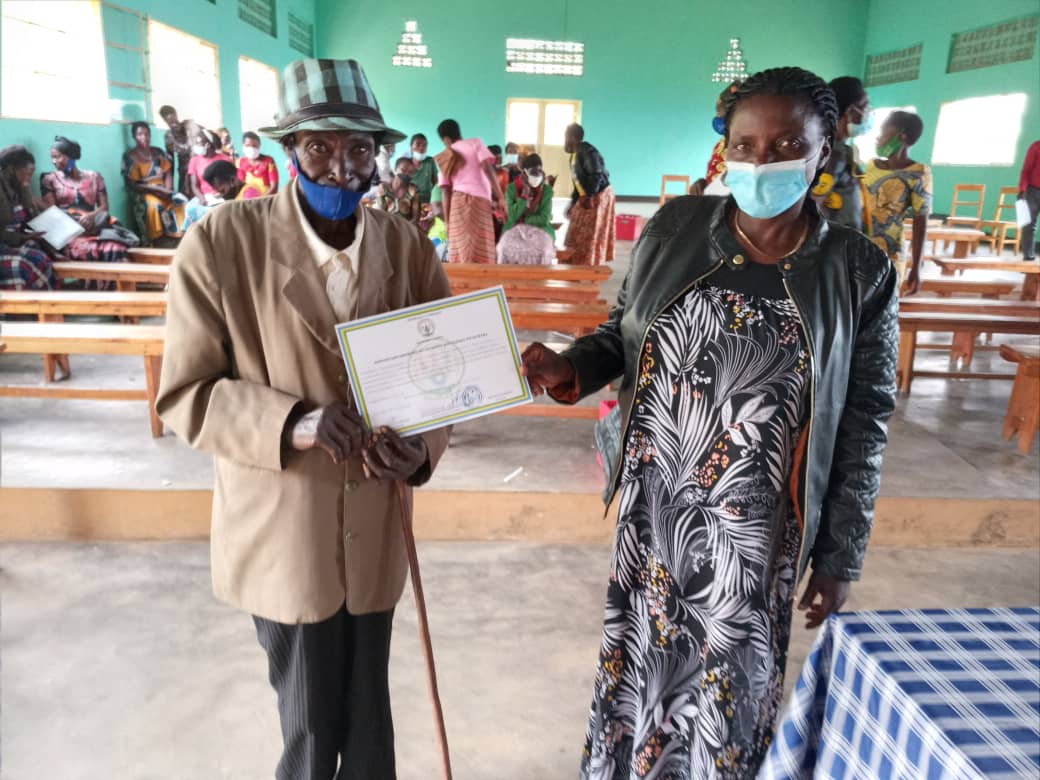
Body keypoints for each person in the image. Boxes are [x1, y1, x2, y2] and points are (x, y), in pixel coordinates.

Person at [522, 66, 898, 779]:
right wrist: (569, 366)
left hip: (756, 531)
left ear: (824, 149)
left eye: (787, 145)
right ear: (726, 149)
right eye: (746, 145)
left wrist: (840, 555)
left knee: (731, 685)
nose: (762, 161)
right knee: (643, 666)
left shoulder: (858, 270)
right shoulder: (675, 229)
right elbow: (621, 335)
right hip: (656, 509)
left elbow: (865, 418)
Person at [155, 58, 451, 779]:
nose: (342, 167)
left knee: (370, 721)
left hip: (377, 522)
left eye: (359, 149)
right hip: (286, 528)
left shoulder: (407, 247)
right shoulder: (221, 244)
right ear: (289, 149)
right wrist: (293, 422)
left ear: (378, 156)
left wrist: (421, 447)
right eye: (319, 146)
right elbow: (187, 393)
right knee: (312, 727)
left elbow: (443, 378)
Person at [40, 136, 133, 272]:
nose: (54, 161)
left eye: (58, 157)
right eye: (52, 157)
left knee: (116, 247)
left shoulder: (95, 177)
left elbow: (104, 208)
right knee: (90, 249)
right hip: (70, 233)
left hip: (95, 227)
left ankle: (118, 285)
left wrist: (91, 216)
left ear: (71, 156)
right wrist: (77, 225)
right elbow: (52, 212)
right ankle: (96, 285)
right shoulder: (49, 180)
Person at [864, 110, 931, 293]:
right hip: (860, 248)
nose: (878, 138)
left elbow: (920, 222)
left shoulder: (918, 172)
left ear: (901, 136)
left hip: (890, 253)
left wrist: (916, 267)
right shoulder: (871, 165)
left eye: (884, 132)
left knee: (884, 304)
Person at [435, 118, 504, 264]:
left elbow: (445, 191)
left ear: (445, 139)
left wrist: (447, 222)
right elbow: (487, 168)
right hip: (479, 202)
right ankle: (482, 278)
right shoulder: (475, 143)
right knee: (482, 246)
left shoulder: (445, 156)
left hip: (457, 205)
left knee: (460, 249)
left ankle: (462, 279)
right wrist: (500, 196)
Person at [813, 76, 871, 230]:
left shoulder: (841, 151)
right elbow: (813, 204)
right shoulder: (834, 155)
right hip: (837, 240)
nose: (868, 114)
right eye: (866, 107)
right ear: (850, 111)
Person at [122, 121, 186, 245]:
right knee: (154, 205)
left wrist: (168, 189)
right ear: (134, 136)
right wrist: (156, 190)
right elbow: (132, 183)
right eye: (140, 134)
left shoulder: (158, 152)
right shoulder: (129, 157)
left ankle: (178, 237)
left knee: (180, 201)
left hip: (164, 189)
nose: (144, 137)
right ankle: (157, 240)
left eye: (147, 134)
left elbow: (167, 172)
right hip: (145, 192)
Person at [0, 145, 54, 290]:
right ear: (11, 170)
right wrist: (23, 238)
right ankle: (24, 304)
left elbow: (30, 216)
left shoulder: (19, 188)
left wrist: (24, 188)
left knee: (41, 258)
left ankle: (44, 302)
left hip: (12, 243)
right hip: (3, 244)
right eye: (27, 174)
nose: (28, 180)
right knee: (23, 265)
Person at [563, 123, 615, 264]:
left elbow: (596, 173)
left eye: (565, 136)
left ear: (572, 137)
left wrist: (590, 196)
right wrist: (573, 203)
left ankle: (589, 263)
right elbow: (578, 183)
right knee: (576, 229)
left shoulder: (586, 151)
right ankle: (576, 261)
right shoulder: (574, 155)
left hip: (598, 194)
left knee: (590, 232)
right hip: (588, 194)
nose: (564, 140)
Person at [497, 154, 556, 265]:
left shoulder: (546, 190)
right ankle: (510, 276)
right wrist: (524, 196)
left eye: (539, 171)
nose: (537, 175)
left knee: (542, 248)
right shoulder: (511, 188)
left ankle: (539, 275)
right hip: (514, 229)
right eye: (533, 172)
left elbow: (544, 219)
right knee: (505, 247)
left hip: (540, 230)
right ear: (524, 173)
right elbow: (512, 217)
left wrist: (523, 219)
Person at [690, 82, 741, 196]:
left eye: (719, 113)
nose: (717, 118)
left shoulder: (746, 149)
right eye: (717, 112)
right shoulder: (720, 145)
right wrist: (703, 186)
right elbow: (714, 178)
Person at [159, 105, 198, 197]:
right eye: (170, 123)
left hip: (199, 168)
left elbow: (206, 138)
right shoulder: (168, 137)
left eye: (174, 120)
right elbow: (170, 161)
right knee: (185, 198)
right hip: (184, 172)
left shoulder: (190, 125)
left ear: (176, 115)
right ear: (165, 121)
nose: (174, 124)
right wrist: (170, 185)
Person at [186, 129, 232, 203]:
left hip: (223, 197)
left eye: (199, 143)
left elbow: (231, 182)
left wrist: (222, 194)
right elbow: (194, 185)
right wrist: (202, 198)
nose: (196, 146)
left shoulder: (225, 159)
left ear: (208, 145)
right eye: (196, 143)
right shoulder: (194, 160)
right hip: (204, 198)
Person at [377, 157, 420, 223]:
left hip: (406, 226)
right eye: (403, 170)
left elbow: (415, 217)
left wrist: (404, 227)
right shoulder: (383, 188)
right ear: (395, 169)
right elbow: (381, 214)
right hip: (386, 225)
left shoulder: (412, 191)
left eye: (410, 172)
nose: (406, 174)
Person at [237, 131, 280, 196]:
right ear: (243, 146)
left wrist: (260, 199)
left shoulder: (268, 161)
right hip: (246, 199)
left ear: (259, 146)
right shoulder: (241, 162)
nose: (251, 148)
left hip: (266, 198)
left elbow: (274, 187)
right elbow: (239, 185)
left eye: (254, 146)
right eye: (247, 145)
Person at [1018, 139, 1039, 260]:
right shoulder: (1036, 146)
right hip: (1032, 191)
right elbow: (1026, 170)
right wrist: (1022, 190)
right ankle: (1028, 257)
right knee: (1028, 225)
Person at [408, 133, 438, 203]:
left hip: (428, 200)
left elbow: (436, 182)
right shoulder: (406, 163)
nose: (421, 148)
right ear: (411, 147)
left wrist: (435, 199)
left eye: (424, 145)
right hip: (411, 200)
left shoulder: (430, 161)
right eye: (418, 144)